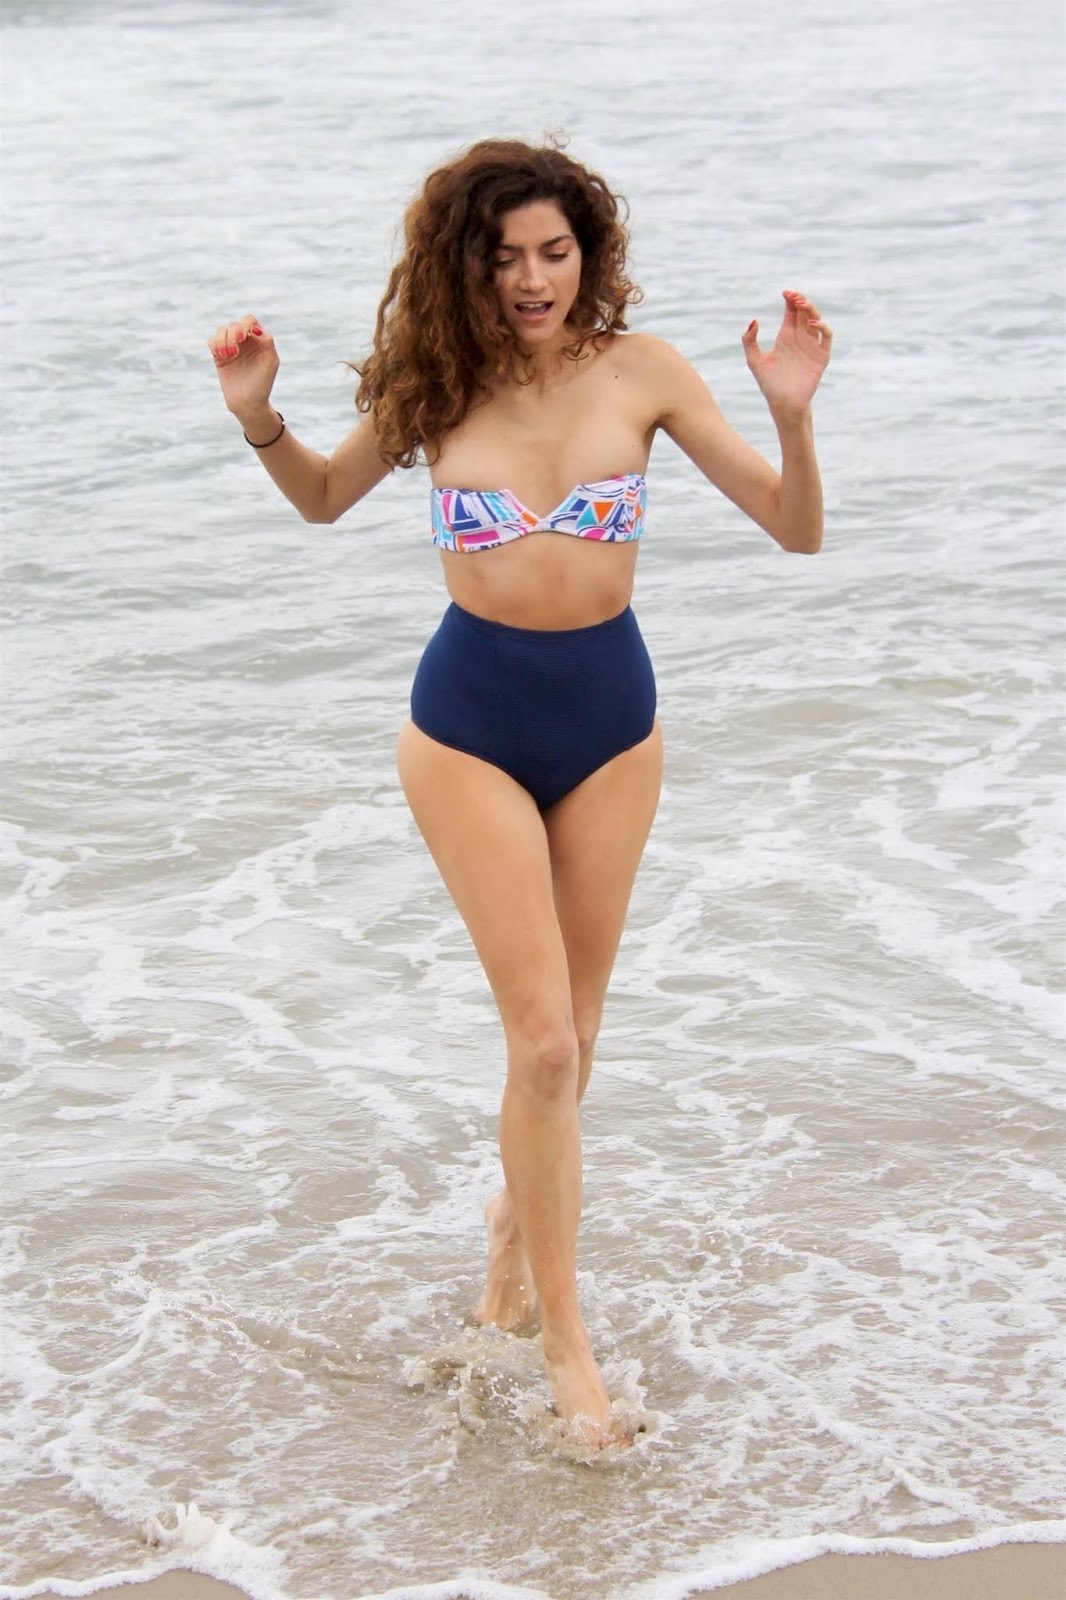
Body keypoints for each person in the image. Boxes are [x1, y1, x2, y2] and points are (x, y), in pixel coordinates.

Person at [207, 136, 831, 1449]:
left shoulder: (645, 374)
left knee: (576, 1044)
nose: (534, 278)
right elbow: (322, 498)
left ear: (587, 255)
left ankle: (507, 1247)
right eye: (506, 258)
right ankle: (567, 1346)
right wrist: (259, 416)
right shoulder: (436, 381)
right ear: (467, 268)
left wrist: (789, 411)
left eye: (555, 252)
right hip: (469, 729)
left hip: (610, 728)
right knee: (541, 1044)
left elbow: (794, 529)